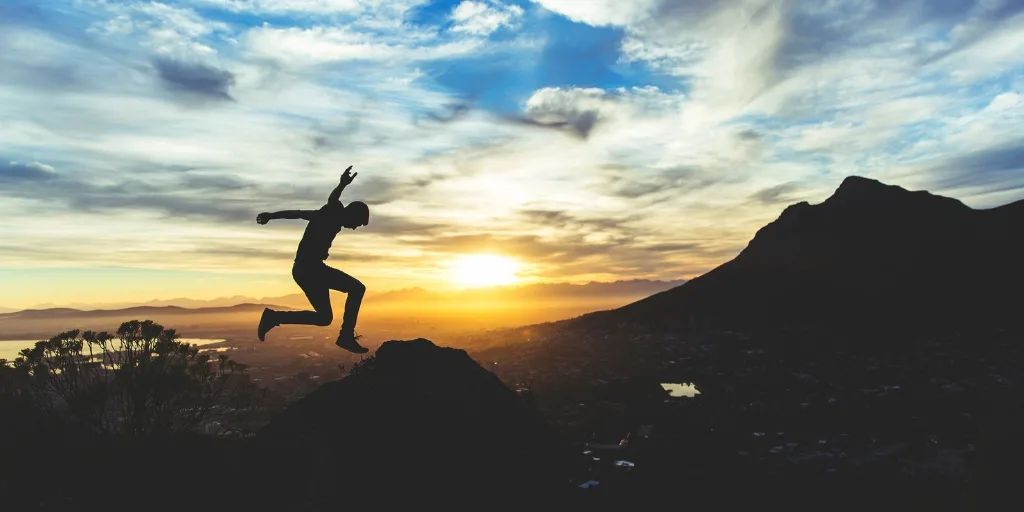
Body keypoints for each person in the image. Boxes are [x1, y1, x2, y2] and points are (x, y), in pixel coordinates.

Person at [255, 166, 370, 354]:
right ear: (352, 214)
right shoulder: (331, 213)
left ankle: (273, 317)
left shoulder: (334, 218)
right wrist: (341, 184)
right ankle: (346, 337)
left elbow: (309, 211)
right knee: (357, 288)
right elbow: (306, 210)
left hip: (306, 271)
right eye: (357, 223)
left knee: (324, 318)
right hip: (310, 270)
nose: (355, 228)